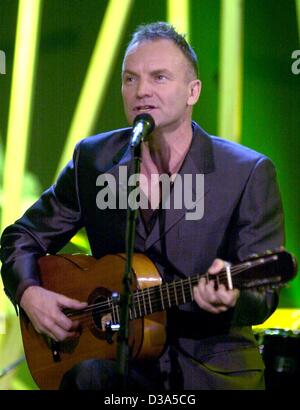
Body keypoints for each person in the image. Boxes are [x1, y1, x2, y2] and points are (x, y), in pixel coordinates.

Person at [0, 22, 284, 390]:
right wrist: (29, 293)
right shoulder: (96, 159)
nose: (141, 91)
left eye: (159, 77)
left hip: (209, 370)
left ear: (193, 91)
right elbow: (21, 237)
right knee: (86, 378)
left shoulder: (246, 172)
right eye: (130, 79)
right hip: (113, 361)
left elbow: (263, 293)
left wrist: (232, 297)